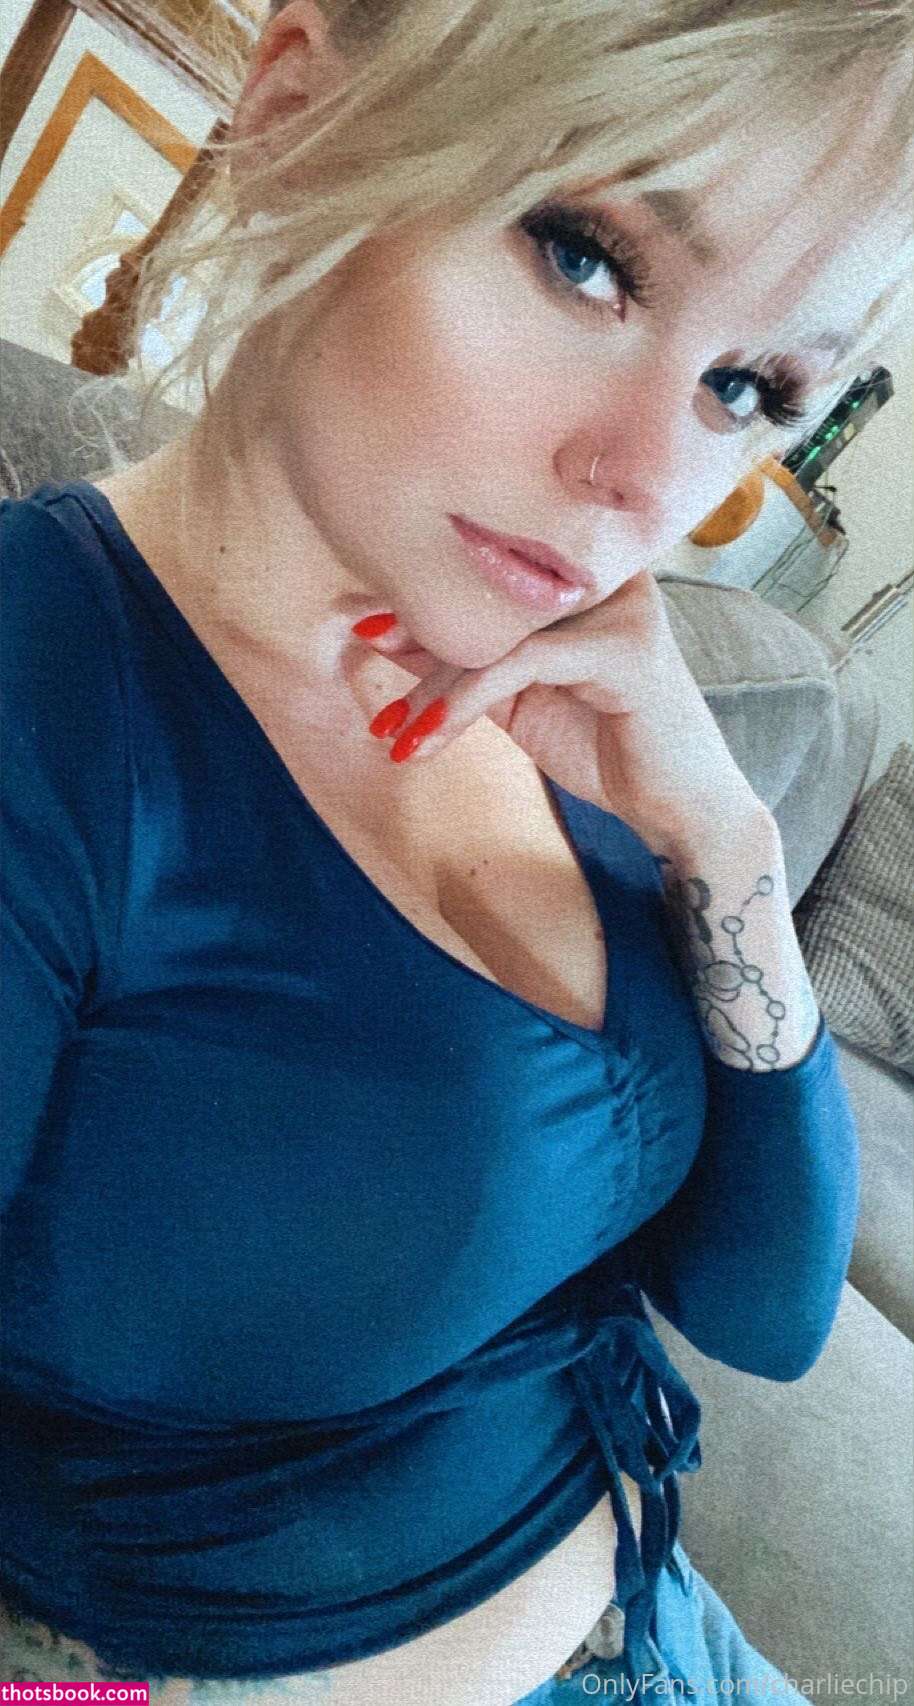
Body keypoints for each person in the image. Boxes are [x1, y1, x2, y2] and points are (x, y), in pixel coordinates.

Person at [1, 0, 911, 1701]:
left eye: (745, 386)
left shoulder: (578, 706)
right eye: (585, 257)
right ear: (295, 116)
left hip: (672, 1626)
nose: (645, 482)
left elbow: (766, 1308)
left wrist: (721, 841)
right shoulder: (45, 693)